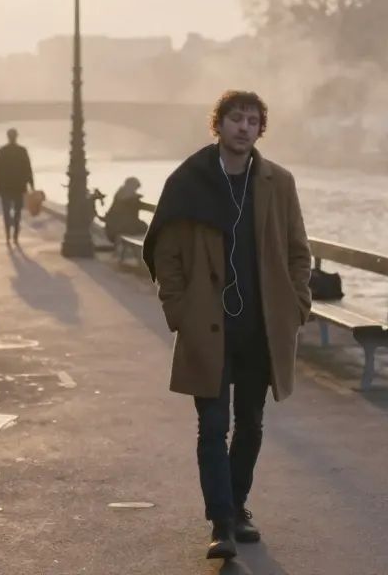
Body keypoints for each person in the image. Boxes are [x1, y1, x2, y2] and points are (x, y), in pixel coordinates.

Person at [142, 90, 312, 561]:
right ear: (218, 125)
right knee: (212, 427)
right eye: (236, 118)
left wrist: (297, 304)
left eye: (253, 121)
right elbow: (166, 253)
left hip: (261, 328)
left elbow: (299, 252)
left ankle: (238, 507)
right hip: (208, 326)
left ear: (261, 130)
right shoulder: (189, 180)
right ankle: (221, 523)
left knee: (252, 424)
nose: (244, 127)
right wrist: (178, 311)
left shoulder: (279, 183)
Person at [0, 128, 34, 245]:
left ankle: (8, 233)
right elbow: (28, 169)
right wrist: (31, 185)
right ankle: (16, 234)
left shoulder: (2, 151)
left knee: (6, 210)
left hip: (5, 187)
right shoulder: (22, 151)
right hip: (19, 186)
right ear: (16, 137)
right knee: (18, 210)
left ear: (8, 137)